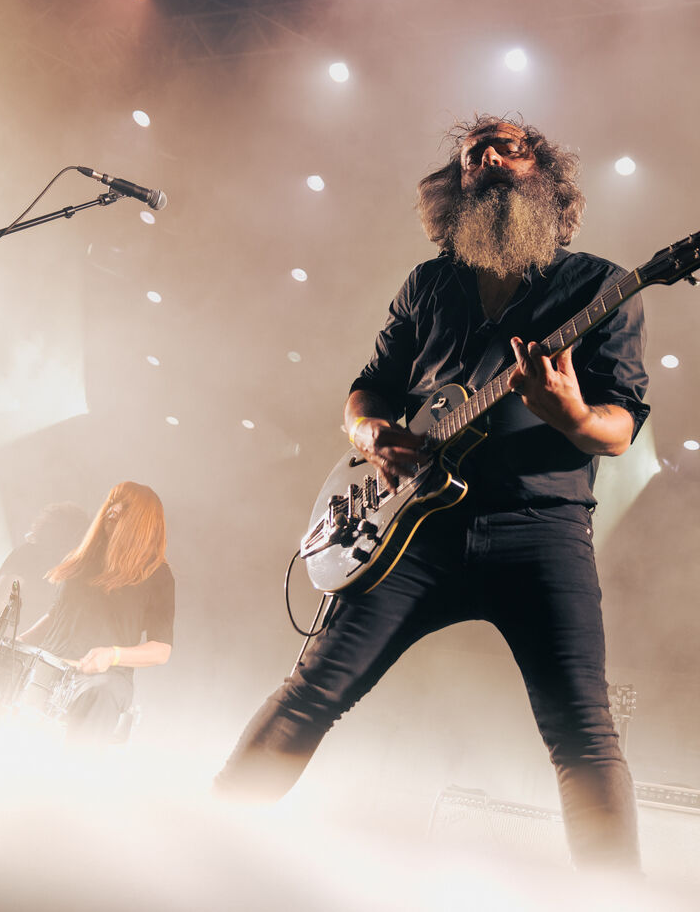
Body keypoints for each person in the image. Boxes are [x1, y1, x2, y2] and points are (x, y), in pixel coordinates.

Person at [216, 115, 649, 870]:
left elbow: (620, 428)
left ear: (547, 175)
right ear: (457, 187)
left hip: (540, 525)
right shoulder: (430, 284)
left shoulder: (600, 285)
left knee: (584, 734)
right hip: (412, 530)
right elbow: (368, 389)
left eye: (510, 148)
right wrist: (370, 434)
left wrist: (573, 414)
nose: (490, 159)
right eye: (474, 154)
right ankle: (205, 839)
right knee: (312, 690)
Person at [18, 482, 174, 743]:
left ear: (143, 520)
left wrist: (112, 655)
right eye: (113, 502)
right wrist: (20, 642)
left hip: (102, 679)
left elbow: (161, 650)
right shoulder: (80, 559)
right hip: (48, 665)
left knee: (100, 692)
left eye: (125, 505)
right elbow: (56, 615)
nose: (114, 509)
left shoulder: (156, 574)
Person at [0, 502, 91, 633]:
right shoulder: (69, 570)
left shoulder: (29, 553)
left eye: (43, 518)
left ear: (50, 527)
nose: (35, 521)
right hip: (24, 644)